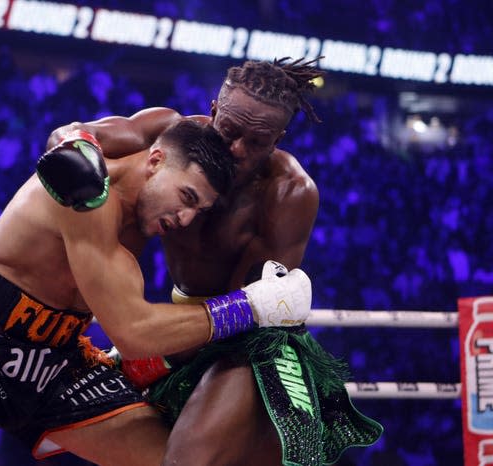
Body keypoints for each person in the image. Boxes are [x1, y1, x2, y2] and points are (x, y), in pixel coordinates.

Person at [0, 119, 314, 466]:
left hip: (57, 364)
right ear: (155, 160)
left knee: (179, 459)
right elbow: (133, 332)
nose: (185, 219)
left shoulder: (153, 209)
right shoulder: (87, 197)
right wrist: (252, 306)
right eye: (186, 197)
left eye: (197, 210)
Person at [48, 58, 383, 465]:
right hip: (179, 322)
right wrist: (78, 155)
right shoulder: (169, 133)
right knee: (62, 416)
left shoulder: (288, 192)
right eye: (229, 131)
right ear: (212, 111)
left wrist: (153, 356)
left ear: (279, 137)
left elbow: (255, 307)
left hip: (249, 339)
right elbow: (73, 135)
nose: (238, 150)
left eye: (257, 142)